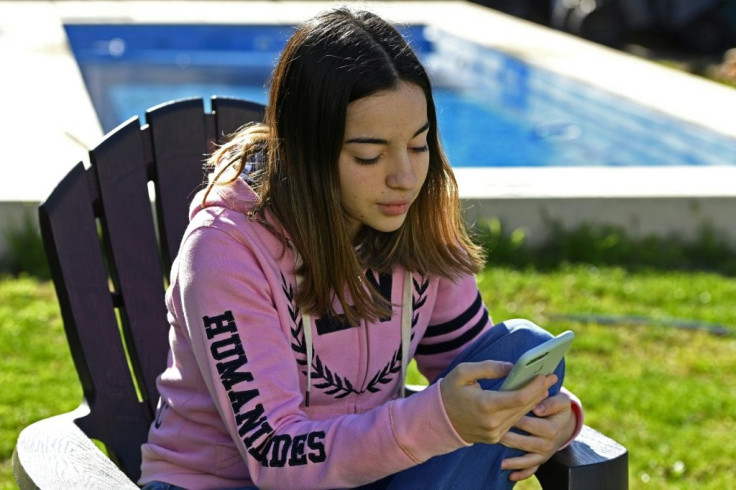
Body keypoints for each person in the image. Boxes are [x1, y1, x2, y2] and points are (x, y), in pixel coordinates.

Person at [138, 6, 583, 489]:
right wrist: (439, 419)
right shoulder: (225, 252)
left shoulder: (415, 222)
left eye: (418, 146)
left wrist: (548, 417)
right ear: (308, 152)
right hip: (224, 482)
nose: (405, 178)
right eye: (369, 156)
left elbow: (478, 369)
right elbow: (274, 456)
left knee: (527, 349)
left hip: (362, 477)